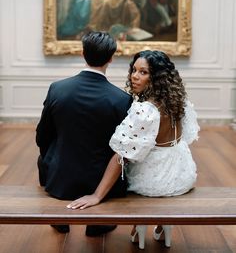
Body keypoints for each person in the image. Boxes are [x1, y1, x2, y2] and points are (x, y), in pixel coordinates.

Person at [68, 50, 199, 249]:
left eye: (143, 72)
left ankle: (139, 224)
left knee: (119, 159)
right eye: (134, 70)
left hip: (154, 182)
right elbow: (185, 138)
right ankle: (164, 227)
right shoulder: (179, 101)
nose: (134, 76)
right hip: (182, 175)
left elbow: (122, 155)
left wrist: (97, 195)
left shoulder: (146, 110)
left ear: (157, 77)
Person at [36, 31, 133, 236]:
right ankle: (98, 224)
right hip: (100, 181)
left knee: (46, 154)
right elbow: (122, 149)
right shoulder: (121, 99)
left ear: (82, 54)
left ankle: (61, 219)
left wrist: (52, 158)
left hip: (60, 179)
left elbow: (42, 135)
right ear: (111, 58)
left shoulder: (57, 89)